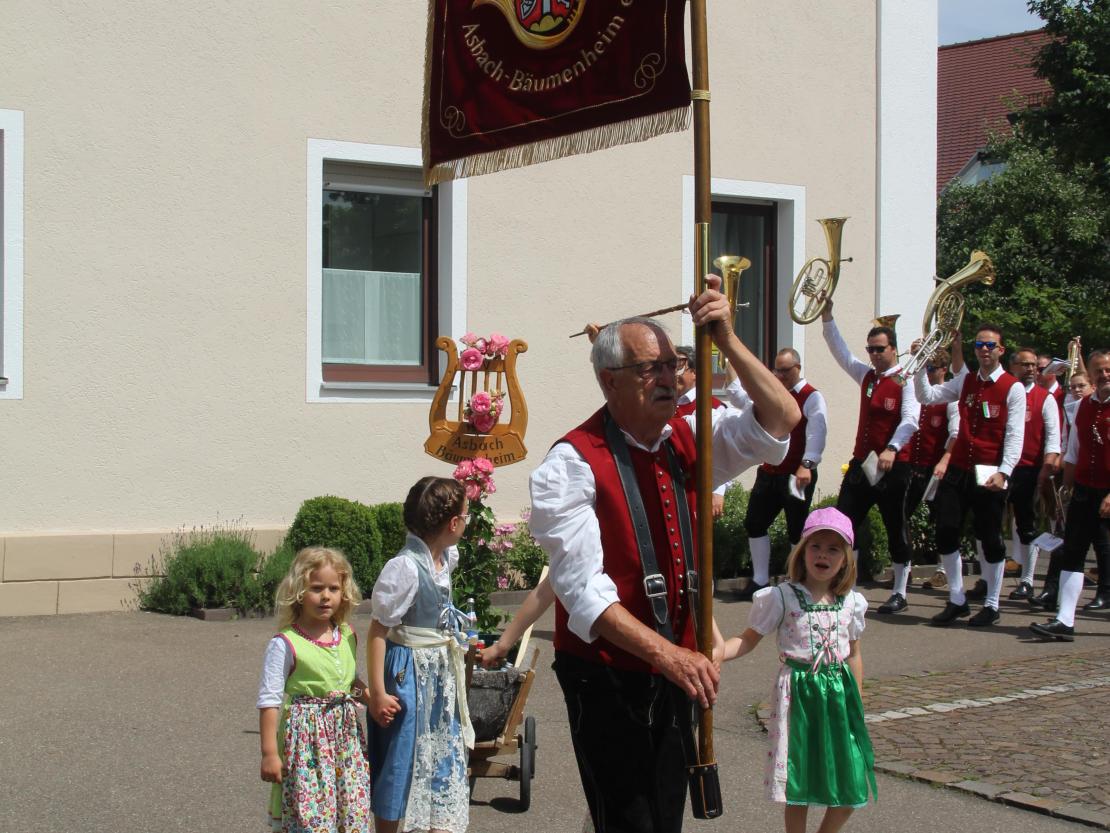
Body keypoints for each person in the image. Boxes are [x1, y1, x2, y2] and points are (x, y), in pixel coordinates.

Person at [530, 274, 799, 833]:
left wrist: (726, 338)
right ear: (609, 382)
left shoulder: (691, 434)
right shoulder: (572, 463)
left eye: (674, 364)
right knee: (630, 821)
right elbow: (583, 594)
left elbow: (782, 419)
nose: (669, 378)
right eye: (649, 368)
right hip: (606, 674)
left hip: (675, 667)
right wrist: (669, 655)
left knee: (664, 816)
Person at [718, 507, 875, 833]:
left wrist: (856, 697)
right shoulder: (782, 597)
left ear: (845, 559)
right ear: (802, 552)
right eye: (816, 546)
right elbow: (748, 640)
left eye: (833, 549)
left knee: (851, 783)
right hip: (800, 695)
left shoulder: (851, 602)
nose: (823, 554)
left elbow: (854, 653)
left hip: (839, 698)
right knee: (800, 784)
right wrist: (719, 653)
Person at [367, 477, 474, 833]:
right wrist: (379, 692)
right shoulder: (406, 568)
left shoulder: (445, 558)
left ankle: (433, 823)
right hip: (408, 672)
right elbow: (378, 630)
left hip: (438, 671)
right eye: (465, 514)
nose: (467, 521)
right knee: (403, 753)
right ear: (453, 524)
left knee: (439, 749)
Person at [914, 324, 1026, 627]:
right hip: (960, 467)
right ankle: (957, 598)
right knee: (946, 532)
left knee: (989, 536)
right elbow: (927, 396)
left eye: (991, 345)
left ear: (1001, 350)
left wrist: (1004, 472)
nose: (984, 350)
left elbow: (1015, 435)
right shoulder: (965, 381)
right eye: (980, 345)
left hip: (990, 469)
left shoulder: (1012, 387)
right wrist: (920, 364)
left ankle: (991, 603)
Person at [257, 547, 373, 833]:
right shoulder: (285, 643)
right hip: (307, 742)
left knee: (352, 809)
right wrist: (270, 752)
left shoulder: (346, 634)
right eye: (317, 588)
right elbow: (269, 700)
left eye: (334, 588)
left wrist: (372, 700)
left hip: (345, 740)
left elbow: (348, 682)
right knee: (313, 814)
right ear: (298, 591)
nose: (326, 596)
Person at [821, 301, 919, 613]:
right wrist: (828, 318)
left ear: (893, 349)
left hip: (894, 465)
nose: (874, 355)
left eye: (879, 349)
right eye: (871, 349)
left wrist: (892, 448)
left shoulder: (907, 378)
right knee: (843, 521)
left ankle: (900, 591)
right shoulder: (868, 377)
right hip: (863, 463)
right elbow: (841, 354)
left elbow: (911, 419)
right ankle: (843, 584)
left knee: (895, 525)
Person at [733, 348, 828, 600]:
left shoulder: (811, 396)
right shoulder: (773, 395)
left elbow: (817, 432)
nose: (779, 375)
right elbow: (742, 398)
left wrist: (807, 464)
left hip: (796, 474)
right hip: (770, 471)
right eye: (776, 370)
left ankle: (797, 580)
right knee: (754, 522)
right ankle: (760, 579)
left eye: (784, 370)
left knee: (796, 528)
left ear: (797, 368)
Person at [1030, 349, 1110, 639]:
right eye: (1098, 370)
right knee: (1073, 552)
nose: (1104, 375)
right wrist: (1066, 487)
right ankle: (1065, 620)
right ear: (1090, 374)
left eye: (1108, 370)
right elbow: (1074, 449)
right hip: (1085, 488)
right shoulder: (1082, 407)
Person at [1003, 348, 1061, 600]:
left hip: (1029, 468)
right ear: (1012, 366)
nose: (1030, 369)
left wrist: (1047, 469)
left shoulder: (1043, 397)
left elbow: (1053, 438)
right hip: (1002, 468)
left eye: (1034, 365)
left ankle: (1027, 579)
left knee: (1026, 524)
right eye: (1024, 364)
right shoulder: (1004, 393)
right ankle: (987, 577)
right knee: (991, 522)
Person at [903, 348, 962, 591]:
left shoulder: (950, 398)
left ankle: (942, 570)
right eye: (925, 368)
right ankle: (903, 567)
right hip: (916, 466)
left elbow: (956, 434)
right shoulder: (919, 395)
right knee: (901, 515)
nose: (927, 373)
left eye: (931, 369)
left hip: (937, 468)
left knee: (943, 520)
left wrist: (944, 460)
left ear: (943, 370)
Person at [673, 344, 729, 519]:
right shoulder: (661, 404)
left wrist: (718, 491)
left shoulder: (714, 407)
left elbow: (723, 453)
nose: (673, 374)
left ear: (695, 373)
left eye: (679, 367)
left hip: (697, 489)